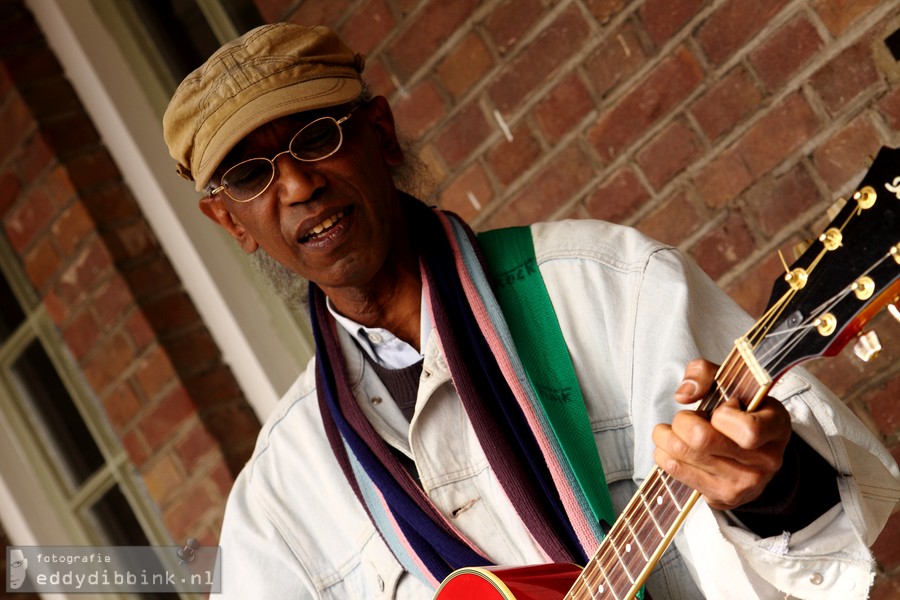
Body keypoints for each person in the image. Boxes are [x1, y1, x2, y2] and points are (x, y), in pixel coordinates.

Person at [162, 23, 900, 599]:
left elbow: (839, 531)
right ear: (229, 222)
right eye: (251, 175)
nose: (295, 187)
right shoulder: (280, 500)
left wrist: (769, 491)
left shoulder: (605, 283)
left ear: (379, 134)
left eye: (315, 138)